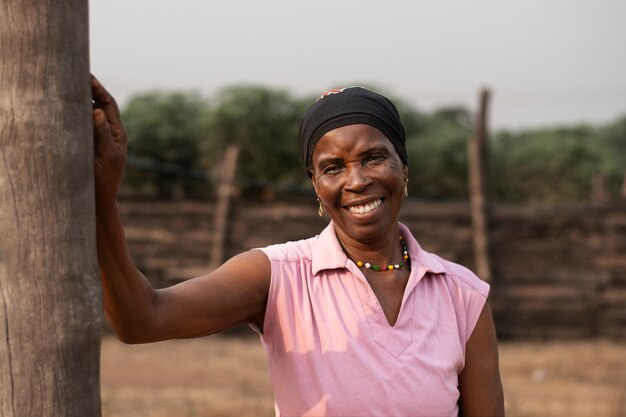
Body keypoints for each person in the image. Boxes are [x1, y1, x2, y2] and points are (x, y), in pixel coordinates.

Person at [92, 75, 505, 417]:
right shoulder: (279, 276)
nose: (357, 180)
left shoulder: (461, 296)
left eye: (374, 157)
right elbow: (142, 319)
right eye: (333, 167)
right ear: (315, 186)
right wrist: (102, 198)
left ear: (404, 167)